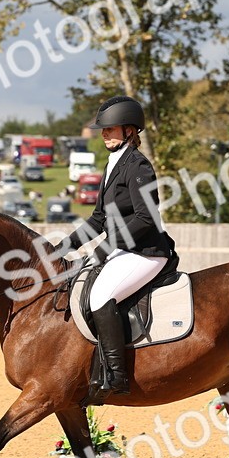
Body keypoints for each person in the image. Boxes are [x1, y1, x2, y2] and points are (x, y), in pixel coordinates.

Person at [62, 96, 176, 404]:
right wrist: (66, 245)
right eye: (103, 129)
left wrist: (105, 248)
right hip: (124, 251)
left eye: (110, 129)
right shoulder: (113, 165)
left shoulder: (138, 166)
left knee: (100, 297)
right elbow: (99, 217)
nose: (103, 134)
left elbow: (146, 217)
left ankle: (116, 375)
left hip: (147, 252)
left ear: (129, 130)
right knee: (82, 285)